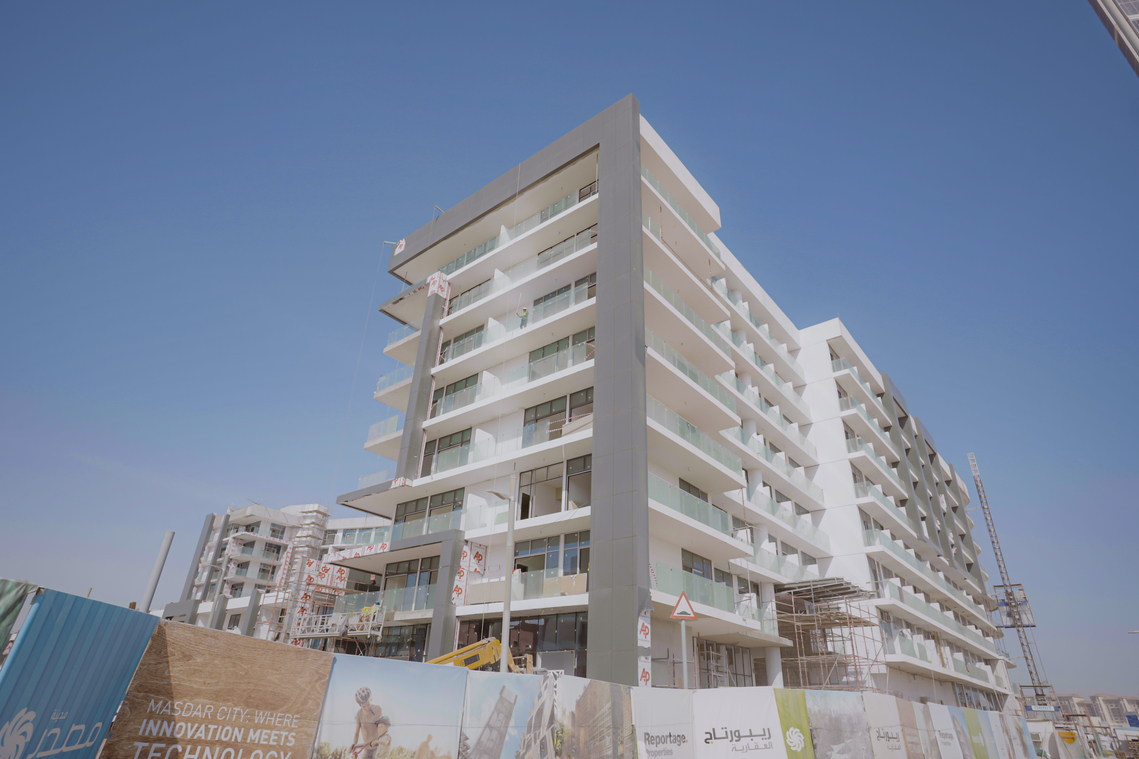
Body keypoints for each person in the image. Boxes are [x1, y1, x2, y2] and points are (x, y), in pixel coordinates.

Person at [351, 688, 392, 759]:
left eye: (368, 705)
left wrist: (386, 740)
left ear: (370, 699)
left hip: (378, 746)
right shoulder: (359, 714)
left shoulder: (377, 709)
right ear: (360, 705)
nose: (367, 708)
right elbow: (357, 733)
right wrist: (354, 745)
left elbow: (383, 727)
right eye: (364, 706)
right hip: (367, 747)